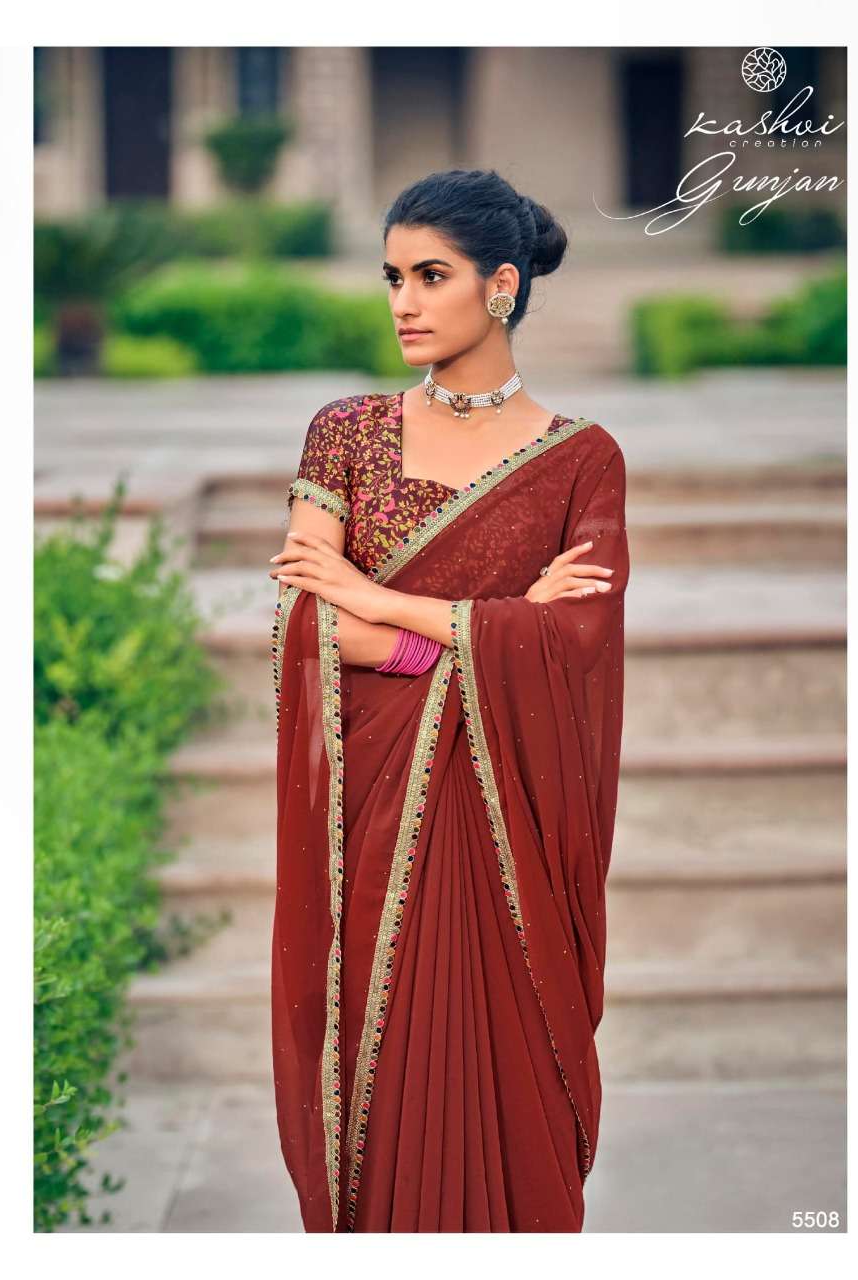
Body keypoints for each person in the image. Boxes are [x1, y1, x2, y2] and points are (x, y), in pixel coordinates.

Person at [268, 168, 630, 1233]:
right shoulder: (345, 432)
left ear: (500, 286)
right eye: (393, 277)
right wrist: (486, 628)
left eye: (432, 275)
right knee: (379, 1089)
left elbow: (575, 644)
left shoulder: (582, 461)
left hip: (511, 823)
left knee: (514, 1090)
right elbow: (305, 623)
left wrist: (382, 601)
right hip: (372, 826)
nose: (404, 302)